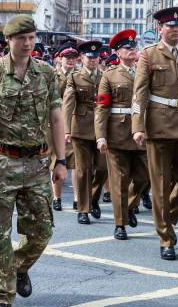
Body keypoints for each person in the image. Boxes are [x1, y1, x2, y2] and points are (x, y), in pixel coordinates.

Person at [0, 15, 66, 307]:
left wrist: (61, 160)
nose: (28, 43)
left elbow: (56, 117)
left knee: (42, 231)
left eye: (32, 38)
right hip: (0, 161)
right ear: (8, 41)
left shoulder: (47, 73)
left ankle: (18, 267)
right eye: (21, 38)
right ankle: (1, 297)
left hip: (36, 163)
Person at [132, 6, 178, 260]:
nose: (175, 30)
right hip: (159, 127)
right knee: (160, 186)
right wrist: (138, 127)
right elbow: (139, 95)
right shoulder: (149, 56)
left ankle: (165, 220)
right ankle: (166, 238)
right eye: (170, 26)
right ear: (160, 29)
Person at [95, 29, 149, 240]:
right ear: (118, 52)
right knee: (118, 181)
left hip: (141, 134)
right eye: (128, 47)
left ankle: (129, 206)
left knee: (145, 176)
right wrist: (101, 136)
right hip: (117, 134)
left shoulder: (145, 72)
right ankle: (120, 224)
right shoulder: (110, 75)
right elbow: (102, 108)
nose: (132, 50)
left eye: (134, 47)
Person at [63, 41, 108, 224]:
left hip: (101, 129)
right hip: (80, 129)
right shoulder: (75, 77)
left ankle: (93, 198)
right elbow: (68, 104)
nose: (92, 60)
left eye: (96, 57)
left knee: (103, 168)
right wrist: (67, 130)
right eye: (89, 57)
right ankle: (83, 208)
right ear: (82, 58)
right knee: (83, 170)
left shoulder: (105, 76)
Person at [50, 42, 79, 211]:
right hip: (56, 123)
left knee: (76, 164)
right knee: (57, 161)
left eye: (73, 58)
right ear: (60, 59)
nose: (70, 61)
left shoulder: (80, 75)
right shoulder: (53, 75)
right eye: (67, 57)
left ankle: (77, 198)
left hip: (76, 124)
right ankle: (57, 197)